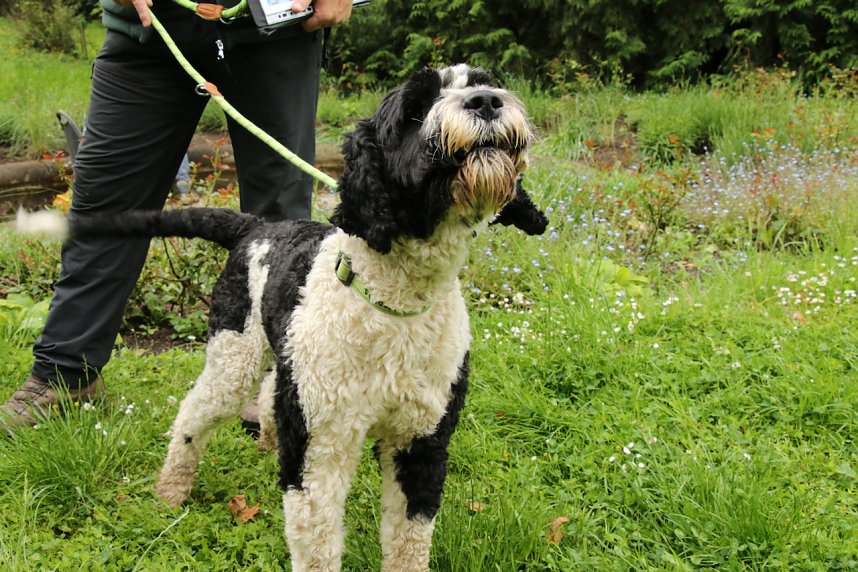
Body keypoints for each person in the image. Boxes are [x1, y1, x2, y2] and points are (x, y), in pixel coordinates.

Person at [1, 0, 353, 430]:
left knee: (280, 216)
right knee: (107, 198)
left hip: (275, 28)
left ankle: (274, 382)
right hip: (149, 29)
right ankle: (65, 373)